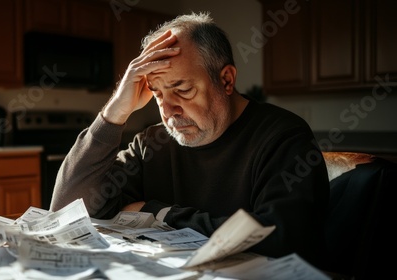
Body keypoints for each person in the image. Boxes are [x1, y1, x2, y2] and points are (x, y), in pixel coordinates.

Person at [50, 12, 329, 267]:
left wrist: (161, 213)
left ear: (227, 80)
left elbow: (283, 241)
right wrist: (114, 113)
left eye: (182, 89)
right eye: (158, 94)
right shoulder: (153, 142)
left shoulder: (284, 137)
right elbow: (66, 212)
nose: (168, 111)